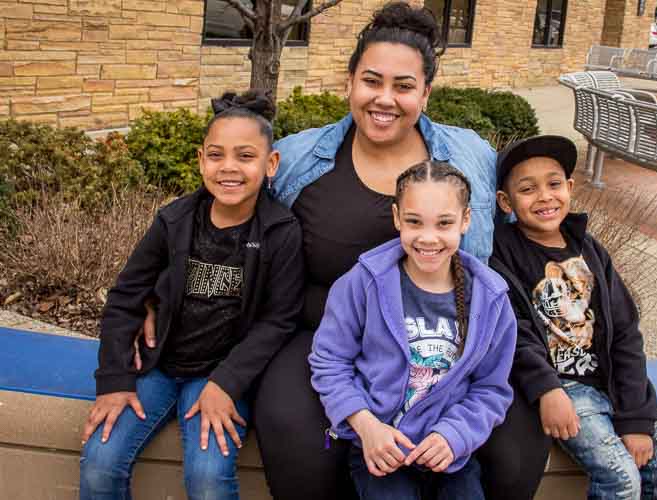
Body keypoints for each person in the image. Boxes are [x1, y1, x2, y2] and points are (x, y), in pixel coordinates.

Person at [138, 3, 552, 498]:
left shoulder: (471, 157)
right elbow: (211, 221)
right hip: (318, 337)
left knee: (516, 451)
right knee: (297, 438)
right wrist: (157, 292)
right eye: (371, 81)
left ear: (426, 93)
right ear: (350, 82)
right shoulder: (295, 158)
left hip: (447, 338)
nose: (384, 99)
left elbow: (519, 238)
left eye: (403, 86)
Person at [79, 90, 304, 500]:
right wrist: (113, 378)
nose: (229, 168)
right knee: (99, 460)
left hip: (220, 375)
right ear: (201, 159)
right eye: (216, 156)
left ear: (271, 164)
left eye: (245, 156)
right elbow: (126, 296)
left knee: (207, 477)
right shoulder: (175, 220)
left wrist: (227, 383)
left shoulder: (280, 232)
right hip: (160, 367)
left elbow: (279, 320)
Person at [490, 135, 657, 499]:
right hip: (564, 388)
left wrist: (635, 418)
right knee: (621, 478)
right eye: (527, 189)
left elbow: (626, 333)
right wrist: (546, 389)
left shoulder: (591, 250)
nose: (545, 196)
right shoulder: (502, 253)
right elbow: (513, 331)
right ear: (505, 201)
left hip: (612, 383)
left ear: (569, 187)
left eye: (554, 184)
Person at [309, 161, 516, 500]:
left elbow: (491, 389)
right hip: (379, 446)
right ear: (396, 218)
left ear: (465, 220)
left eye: (444, 223)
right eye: (414, 222)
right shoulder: (363, 282)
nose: (428, 237)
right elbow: (329, 362)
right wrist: (366, 425)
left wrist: (454, 435)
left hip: (451, 452)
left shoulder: (491, 298)